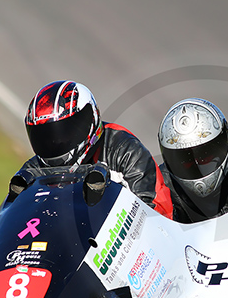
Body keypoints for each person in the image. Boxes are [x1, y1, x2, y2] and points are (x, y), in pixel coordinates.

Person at [15, 80, 173, 218]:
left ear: (90, 120)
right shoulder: (32, 172)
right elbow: (11, 221)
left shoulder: (124, 151)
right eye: (45, 138)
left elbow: (157, 213)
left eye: (64, 134)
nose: (55, 144)